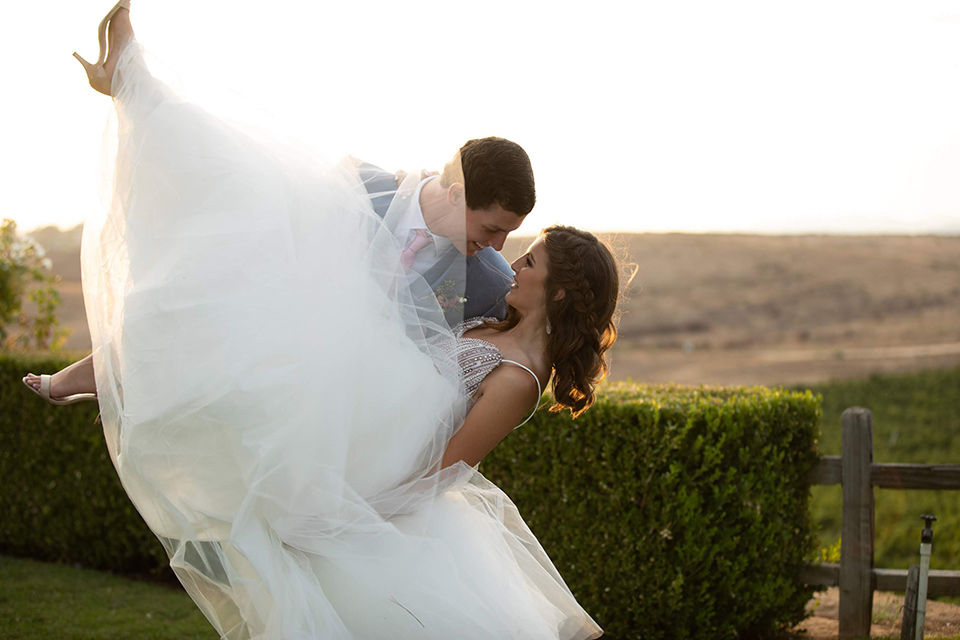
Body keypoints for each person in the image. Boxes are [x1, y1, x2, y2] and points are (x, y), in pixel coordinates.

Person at [27, 2, 621, 638]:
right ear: (456, 193)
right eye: (496, 230)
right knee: (230, 232)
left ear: (555, 292)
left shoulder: (491, 292)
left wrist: (353, 518)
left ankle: (129, 379)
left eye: (521, 250)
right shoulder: (370, 189)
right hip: (325, 397)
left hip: (360, 453)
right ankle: (135, 85)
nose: (506, 255)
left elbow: (447, 461)